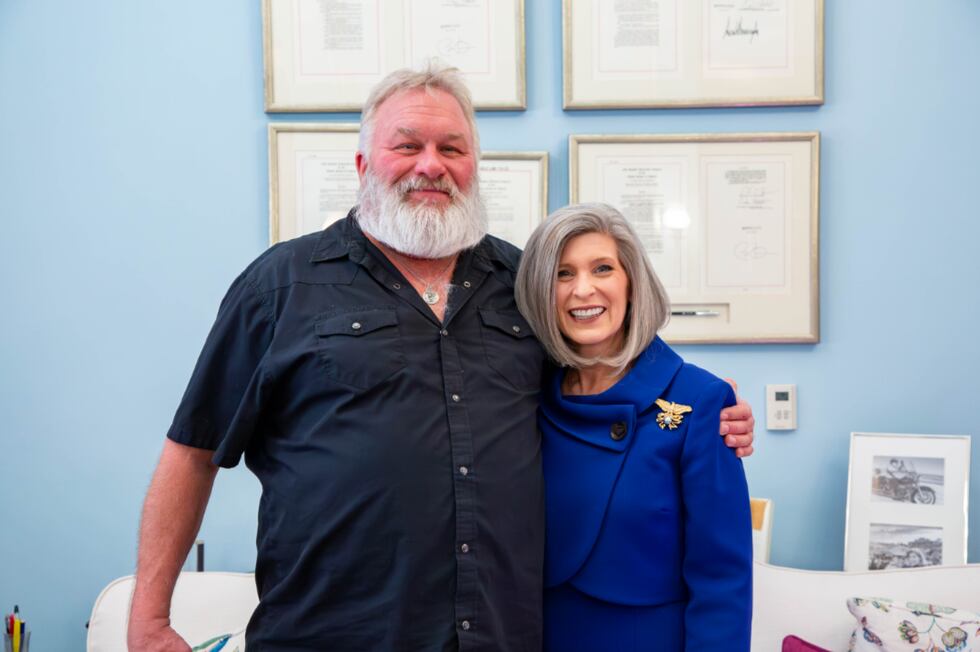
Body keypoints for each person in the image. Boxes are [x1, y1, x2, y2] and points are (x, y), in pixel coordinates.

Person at [127, 64, 755, 651]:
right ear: (363, 163)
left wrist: (703, 403)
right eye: (408, 146)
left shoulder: (521, 283)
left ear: (474, 165)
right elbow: (193, 449)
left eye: (451, 148)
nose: (431, 165)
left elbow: (605, 359)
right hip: (328, 635)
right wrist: (151, 620)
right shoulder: (281, 286)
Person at [515, 203, 753, 651]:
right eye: (563, 274)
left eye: (602, 268)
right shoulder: (519, 396)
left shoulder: (701, 400)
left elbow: (722, 579)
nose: (582, 290)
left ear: (631, 282)